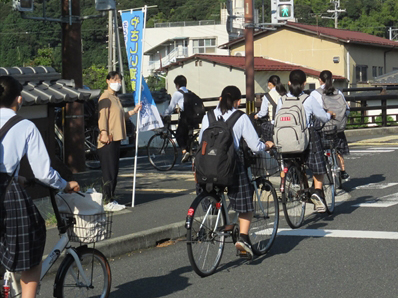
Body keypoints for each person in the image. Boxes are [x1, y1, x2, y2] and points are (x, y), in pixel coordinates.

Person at [0, 75, 80, 298]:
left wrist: (17, 178)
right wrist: (64, 184)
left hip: (9, 184)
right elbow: (44, 172)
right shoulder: (25, 126)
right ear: (19, 99)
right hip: (8, 196)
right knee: (32, 244)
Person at [198, 85, 274, 259]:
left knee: (215, 191)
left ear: (220, 98)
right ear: (238, 101)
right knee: (245, 202)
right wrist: (266, 145)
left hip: (207, 167)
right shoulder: (240, 117)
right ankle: (244, 238)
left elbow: (202, 140)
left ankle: (213, 215)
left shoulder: (208, 116)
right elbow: (255, 146)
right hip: (231, 167)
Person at [275, 69, 336, 212]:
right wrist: (330, 115)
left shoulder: (282, 100)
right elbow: (322, 117)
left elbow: (276, 120)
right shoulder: (308, 99)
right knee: (317, 164)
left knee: (293, 162)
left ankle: (292, 183)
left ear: (289, 83)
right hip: (306, 140)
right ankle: (317, 192)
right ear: (304, 84)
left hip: (285, 141)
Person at [97, 71, 141, 211]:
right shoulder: (105, 97)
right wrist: (103, 132)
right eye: (115, 79)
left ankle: (111, 198)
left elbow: (121, 117)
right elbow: (102, 117)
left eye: (120, 80)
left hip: (115, 139)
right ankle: (106, 200)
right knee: (109, 171)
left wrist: (134, 111)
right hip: (107, 140)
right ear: (108, 80)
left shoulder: (115, 98)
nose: (118, 82)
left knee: (114, 170)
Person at [311, 70, 350, 181]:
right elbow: (347, 109)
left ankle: (321, 172)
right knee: (338, 149)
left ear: (320, 80)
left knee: (321, 148)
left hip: (324, 127)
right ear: (331, 79)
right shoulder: (338, 92)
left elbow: (313, 111)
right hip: (338, 127)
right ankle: (343, 171)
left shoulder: (316, 93)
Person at [162, 75, 193, 163]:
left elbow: (171, 107)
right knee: (186, 135)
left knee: (179, 134)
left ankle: (184, 151)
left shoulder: (177, 93)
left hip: (185, 117)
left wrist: (164, 115)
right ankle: (189, 153)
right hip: (193, 117)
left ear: (177, 84)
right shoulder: (189, 92)